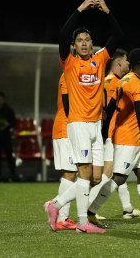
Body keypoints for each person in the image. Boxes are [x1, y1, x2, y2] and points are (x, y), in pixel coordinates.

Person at [44, 0, 123, 234]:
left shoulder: (100, 60)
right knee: (85, 174)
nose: (84, 43)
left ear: (92, 43)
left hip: (95, 126)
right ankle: (82, 222)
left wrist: (107, 12)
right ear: (74, 46)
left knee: (96, 177)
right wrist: (79, 9)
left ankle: (54, 204)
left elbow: (118, 36)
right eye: (79, 41)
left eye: (87, 39)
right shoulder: (68, 63)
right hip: (78, 124)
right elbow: (62, 34)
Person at [88, 48, 140, 228]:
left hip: (128, 136)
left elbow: (110, 108)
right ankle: (91, 212)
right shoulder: (136, 82)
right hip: (129, 139)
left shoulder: (123, 80)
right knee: (118, 177)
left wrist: (105, 132)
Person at [89, 48, 140, 219]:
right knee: (107, 175)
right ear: (119, 62)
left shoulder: (119, 80)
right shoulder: (111, 82)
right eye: (126, 60)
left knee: (120, 174)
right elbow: (107, 110)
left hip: (117, 134)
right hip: (114, 135)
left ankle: (128, 209)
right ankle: (88, 210)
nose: (129, 64)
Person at [48, 73, 78, 230]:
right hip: (66, 128)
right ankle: (61, 217)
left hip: (70, 127)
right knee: (71, 173)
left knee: (74, 173)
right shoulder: (69, 73)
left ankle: (55, 206)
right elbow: (70, 103)